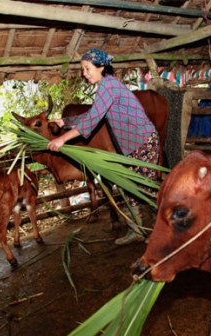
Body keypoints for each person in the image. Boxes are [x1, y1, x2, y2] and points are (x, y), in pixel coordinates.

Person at [47, 48, 160, 245]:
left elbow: (92, 119)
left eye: (87, 68)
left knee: (148, 188)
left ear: (101, 67)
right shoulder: (105, 88)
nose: (84, 73)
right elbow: (94, 114)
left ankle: (172, 226)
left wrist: (62, 139)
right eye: (83, 69)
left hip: (144, 143)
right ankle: (137, 231)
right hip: (129, 147)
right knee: (126, 188)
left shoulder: (109, 86)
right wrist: (66, 122)